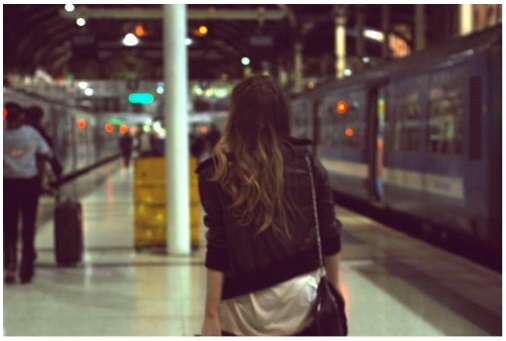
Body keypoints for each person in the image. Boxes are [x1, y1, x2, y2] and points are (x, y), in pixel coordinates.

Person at [197, 75, 343, 336]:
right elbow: (330, 236)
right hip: (300, 305)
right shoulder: (308, 166)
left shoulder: (216, 174)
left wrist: (211, 315)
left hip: (242, 311)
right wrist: (335, 297)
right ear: (282, 116)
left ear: (237, 116)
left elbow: (217, 250)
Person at [3, 102, 62, 284]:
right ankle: (27, 266)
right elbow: (46, 153)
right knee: (28, 225)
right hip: (28, 185)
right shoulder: (31, 134)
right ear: (20, 117)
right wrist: (55, 172)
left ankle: (10, 264)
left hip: (6, 185)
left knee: (8, 225)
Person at [24, 105, 63, 194]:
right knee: (57, 170)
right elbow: (46, 147)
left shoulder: (23, 127)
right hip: (36, 163)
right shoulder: (36, 128)